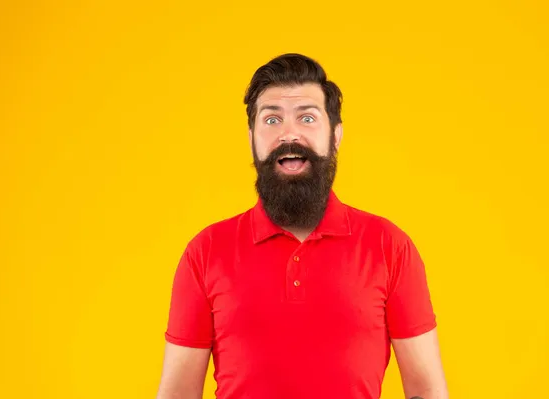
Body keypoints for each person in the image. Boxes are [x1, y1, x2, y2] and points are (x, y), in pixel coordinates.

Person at [156, 53, 448, 399]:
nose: (289, 133)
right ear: (251, 136)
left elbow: (427, 390)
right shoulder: (205, 252)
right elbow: (178, 394)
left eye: (307, 118)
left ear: (335, 135)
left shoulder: (390, 246)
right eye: (272, 119)